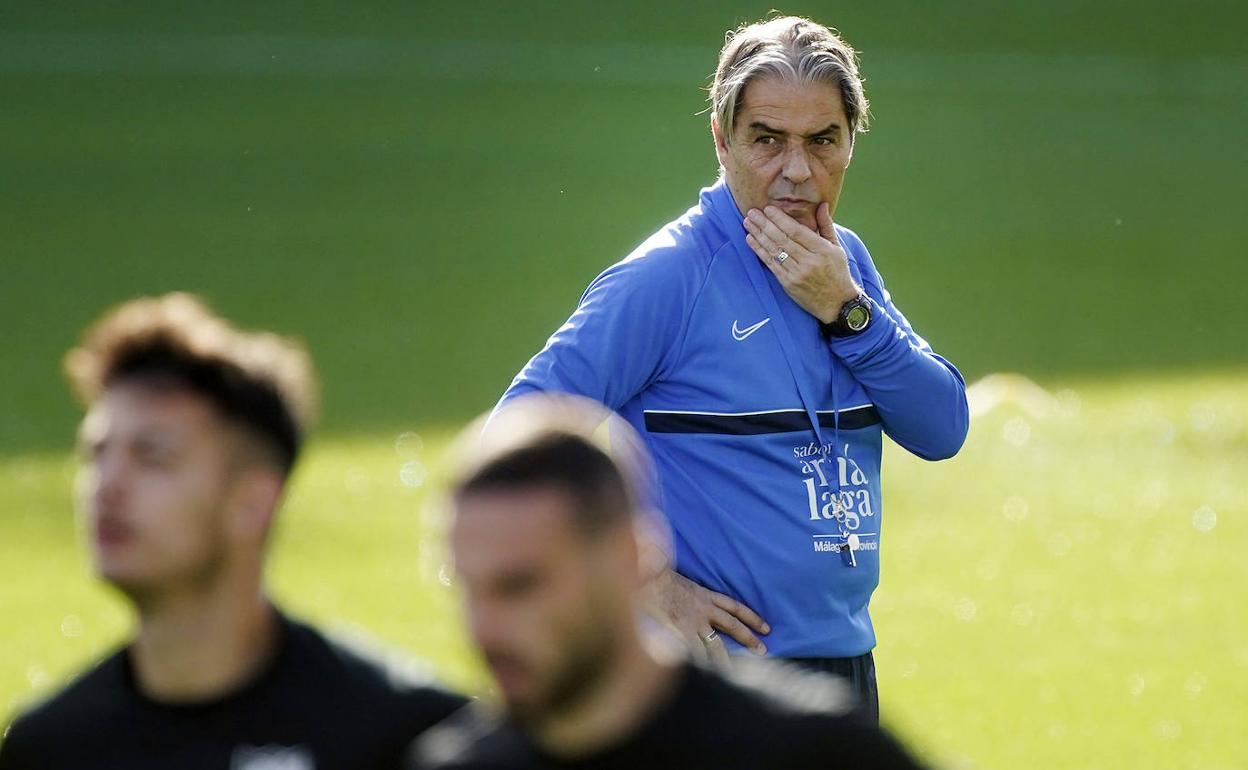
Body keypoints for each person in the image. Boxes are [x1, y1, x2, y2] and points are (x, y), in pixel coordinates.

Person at [497, 14, 970, 719]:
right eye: (767, 140)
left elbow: (942, 426)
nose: (798, 171)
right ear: (721, 140)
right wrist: (644, 583)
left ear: (850, 143)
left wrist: (846, 309)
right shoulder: (669, 278)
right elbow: (515, 440)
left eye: (823, 141)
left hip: (842, 668)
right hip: (707, 681)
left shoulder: (846, 267)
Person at [0, 293, 465, 770]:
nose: (106, 487)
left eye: (152, 457)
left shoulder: (410, 736)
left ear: (253, 501)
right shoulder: (49, 748)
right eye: (97, 455)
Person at [408, 395, 930, 769]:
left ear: (634, 559)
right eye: (468, 588)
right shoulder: (450, 760)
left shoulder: (812, 751)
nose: (485, 629)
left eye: (521, 586)